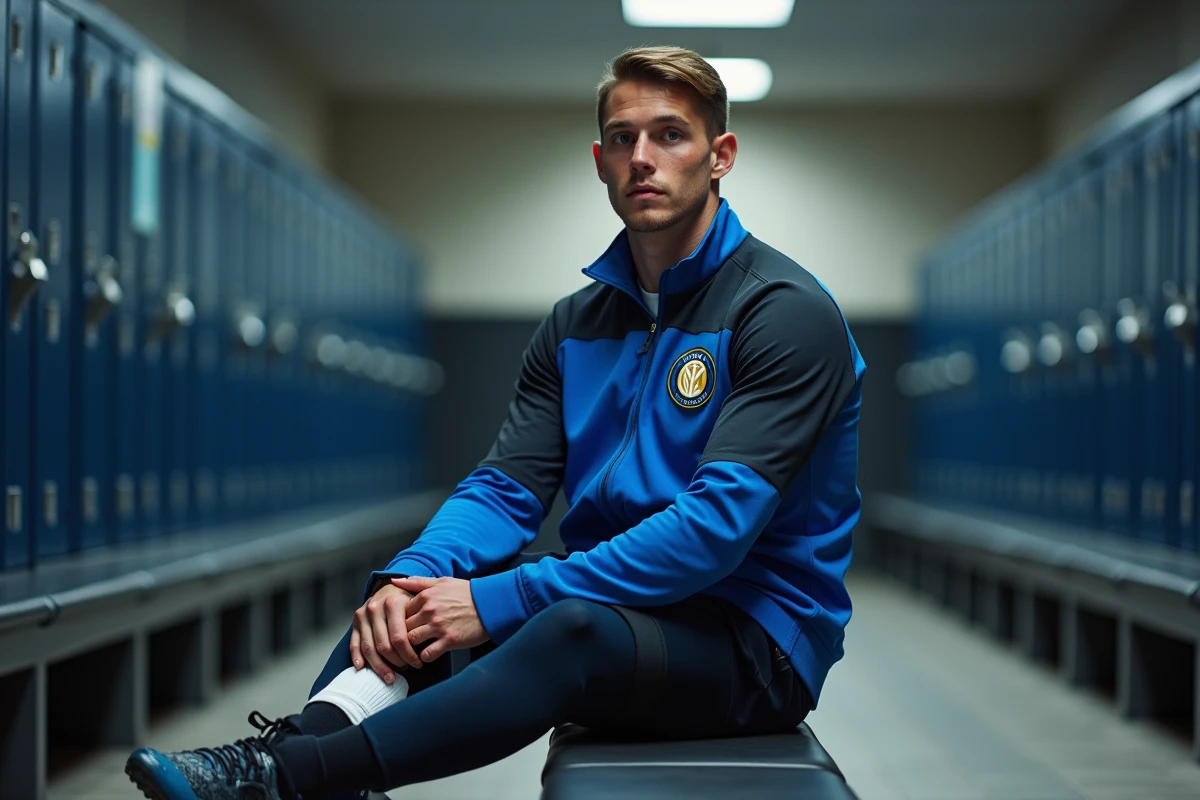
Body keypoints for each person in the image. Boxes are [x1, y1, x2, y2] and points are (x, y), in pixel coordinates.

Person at [124, 45, 866, 800]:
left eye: (671, 134)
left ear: (720, 155)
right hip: (619, 609)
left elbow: (713, 529)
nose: (643, 157)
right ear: (600, 160)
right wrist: (418, 572)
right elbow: (505, 485)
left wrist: (494, 599)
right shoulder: (575, 325)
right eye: (622, 138)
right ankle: (298, 762)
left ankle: (279, 779)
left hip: (751, 643)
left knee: (564, 627)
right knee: (412, 608)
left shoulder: (783, 312)